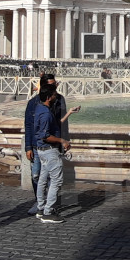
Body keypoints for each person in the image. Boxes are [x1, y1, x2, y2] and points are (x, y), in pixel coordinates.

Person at [30, 83, 80, 223]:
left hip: (42, 151)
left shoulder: (41, 108)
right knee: (56, 181)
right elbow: (45, 135)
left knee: (42, 180)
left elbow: (55, 124)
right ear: (48, 97)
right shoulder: (46, 113)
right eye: (53, 94)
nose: (55, 96)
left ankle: (41, 208)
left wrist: (69, 112)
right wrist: (62, 141)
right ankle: (48, 212)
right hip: (49, 151)